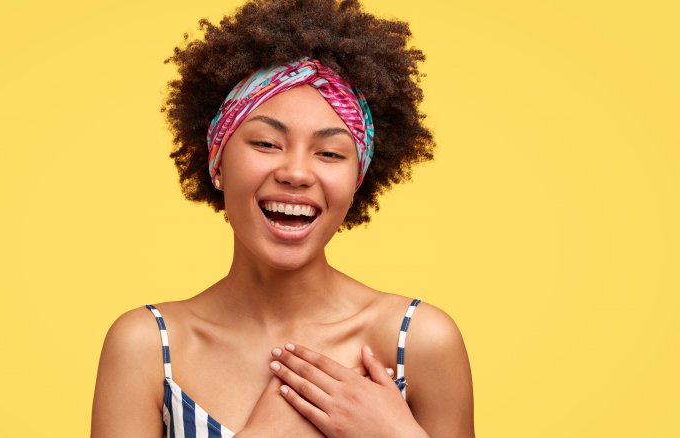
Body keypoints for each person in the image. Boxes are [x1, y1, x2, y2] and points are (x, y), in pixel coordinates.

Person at [91, 1, 474, 436]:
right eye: (267, 143)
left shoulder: (419, 341)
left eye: (329, 153)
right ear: (217, 164)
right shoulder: (146, 347)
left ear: (356, 181)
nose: (295, 172)